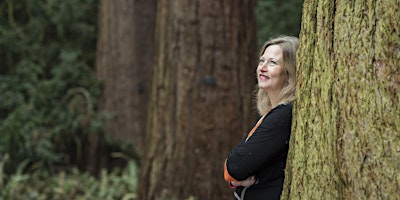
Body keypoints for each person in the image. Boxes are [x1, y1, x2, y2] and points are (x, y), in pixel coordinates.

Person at [224, 36, 299, 200]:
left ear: (289, 71)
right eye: (262, 61)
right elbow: (235, 170)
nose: (262, 68)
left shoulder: (283, 115)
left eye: (273, 63)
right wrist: (235, 179)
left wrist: (235, 175)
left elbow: (234, 166)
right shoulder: (272, 113)